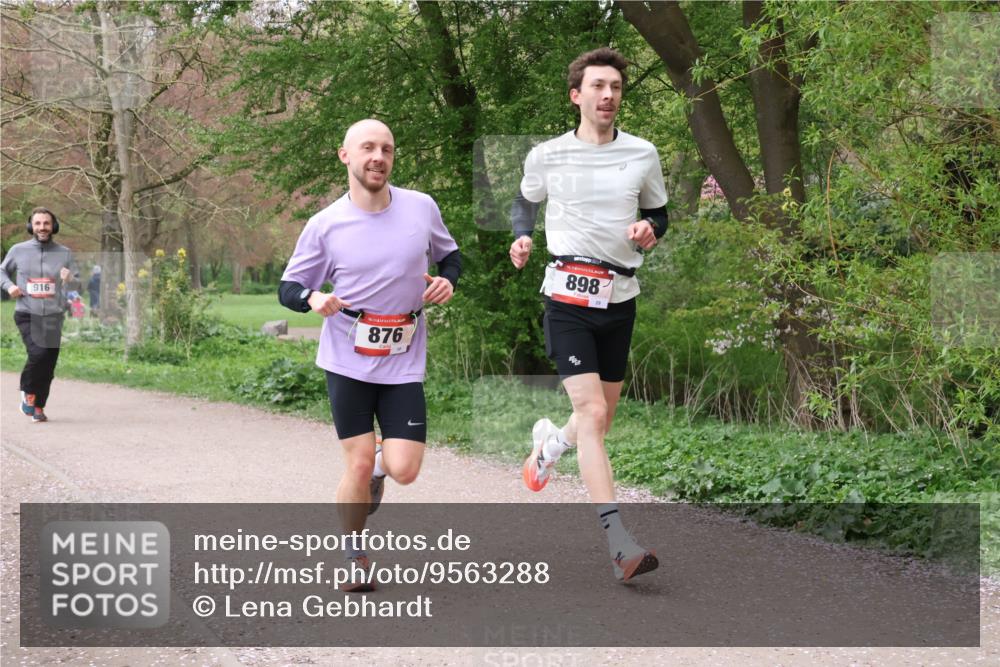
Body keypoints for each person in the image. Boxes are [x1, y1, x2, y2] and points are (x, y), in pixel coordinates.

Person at [278, 119, 461, 590]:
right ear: (346, 156)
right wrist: (312, 299)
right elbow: (288, 287)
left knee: (405, 469)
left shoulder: (421, 207)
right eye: (368, 148)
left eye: (387, 149)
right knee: (355, 464)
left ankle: (381, 467)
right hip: (347, 359)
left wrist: (448, 280)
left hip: (403, 360)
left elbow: (451, 256)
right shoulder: (325, 224)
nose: (378, 156)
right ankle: (354, 555)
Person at [509, 48, 669, 582]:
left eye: (616, 87)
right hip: (567, 299)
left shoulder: (643, 153)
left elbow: (659, 212)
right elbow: (523, 201)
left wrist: (652, 230)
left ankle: (549, 447)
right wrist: (522, 234)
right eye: (598, 86)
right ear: (576, 94)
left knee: (600, 416)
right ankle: (620, 544)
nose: (608, 95)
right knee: (594, 416)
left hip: (620, 299)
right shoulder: (548, 155)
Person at [0, 207, 78, 423]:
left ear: (53, 226)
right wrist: (9, 287)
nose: (42, 227)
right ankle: (27, 391)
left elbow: (77, 280)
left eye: (46, 223)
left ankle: (39, 407)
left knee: (49, 363)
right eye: (38, 223)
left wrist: (69, 278)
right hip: (27, 312)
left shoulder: (64, 252)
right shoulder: (18, 250)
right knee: (39, 354)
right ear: (31, 227)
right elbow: (1, 270)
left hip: (54, 314)